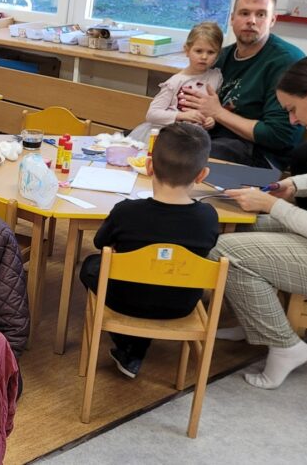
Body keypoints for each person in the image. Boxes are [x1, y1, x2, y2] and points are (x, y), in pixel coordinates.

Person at [210, 56, 307, 389]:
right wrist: (294, 185)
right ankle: (253, 319)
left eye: (293, 110)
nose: (293, 120)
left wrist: (272, 205)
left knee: (228, 252)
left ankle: (286, 346)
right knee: (233, 227)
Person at [78, 123, 220, 378]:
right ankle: (134, 348)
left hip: (125, 301)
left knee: (90, 265)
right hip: (181, 304)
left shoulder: (126, 211)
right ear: (202, 175)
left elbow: (100, 243)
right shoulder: (208, 217)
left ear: (149, 166)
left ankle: (131, 344)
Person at [181, 0, 304, 169]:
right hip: (213, 136)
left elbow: (279, 136)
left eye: (261, 14)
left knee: (190, 156)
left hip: (260, 155)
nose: (251, 20)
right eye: (244, 13)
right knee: (164, 138)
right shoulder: (221, 57)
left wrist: (218, 113)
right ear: (232, 18)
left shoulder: (286, 61)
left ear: (272, 20)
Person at [130, 22, 223, 141]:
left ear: (218, 54)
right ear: (187, 50)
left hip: (195, 139)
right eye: (198, 51)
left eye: (211, 52)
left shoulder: (216, 77)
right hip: (169, 138)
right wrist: (182, 115)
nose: (204, 57)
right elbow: (152, 114)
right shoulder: (175, 82)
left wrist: (211, 120)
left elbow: (214, 107)